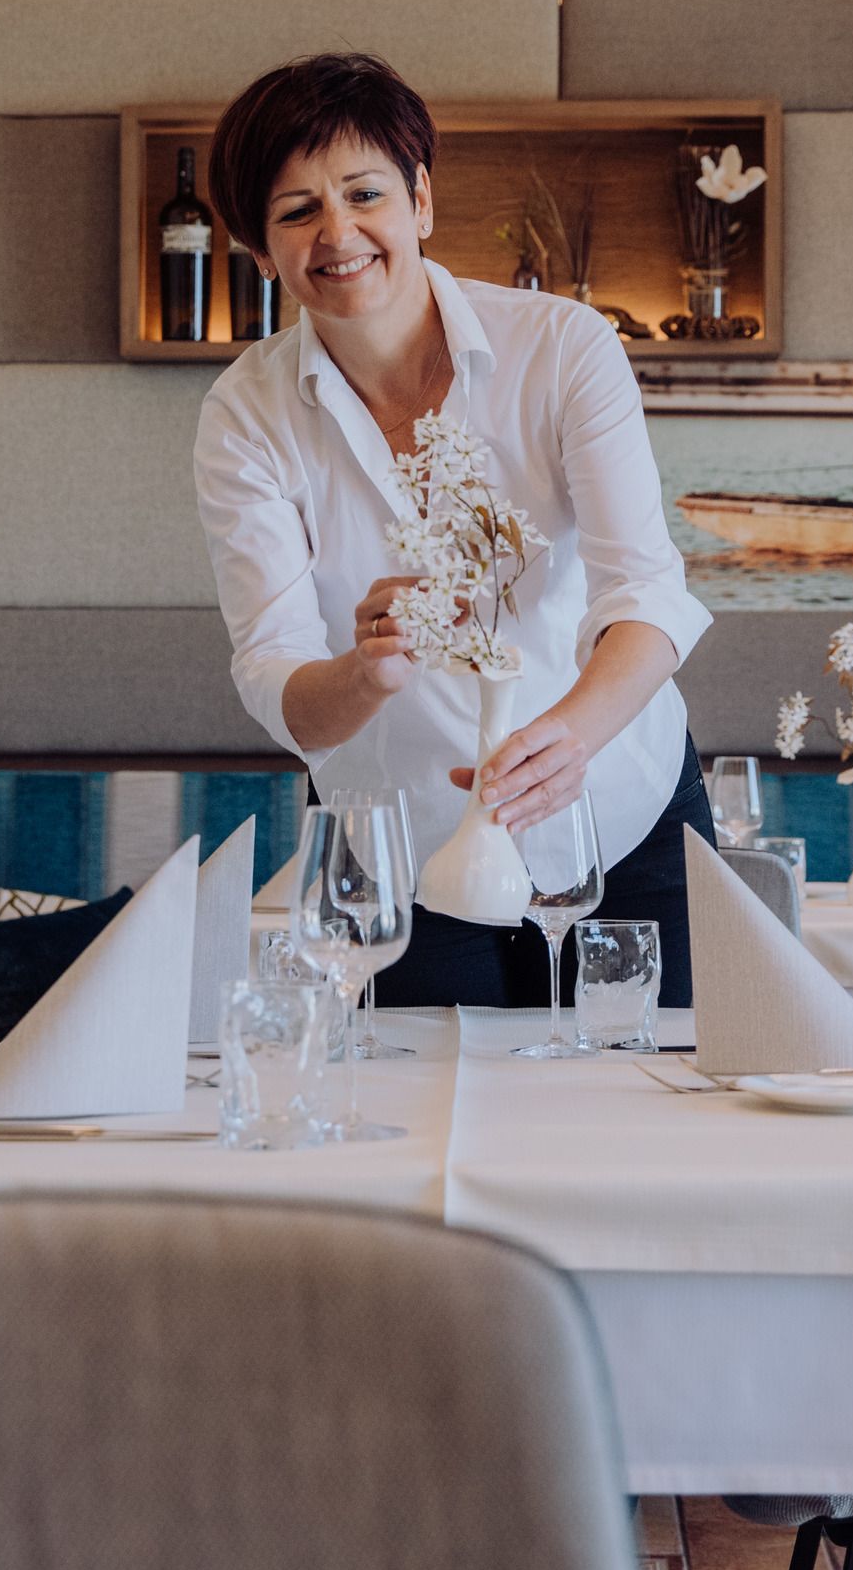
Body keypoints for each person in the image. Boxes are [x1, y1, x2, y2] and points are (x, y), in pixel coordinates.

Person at [191, 53, 715, 1008]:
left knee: (656, 1090)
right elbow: (275, 675)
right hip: (400, 850)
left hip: (621, 812)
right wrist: (368, 671)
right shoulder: (245, 415)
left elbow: (645, 593)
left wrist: (568, 740)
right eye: (297, 211)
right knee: (427, 1098)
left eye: (365, 193)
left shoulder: (562, 347)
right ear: (260, 251)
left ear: (421, 200)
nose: (338, 233)